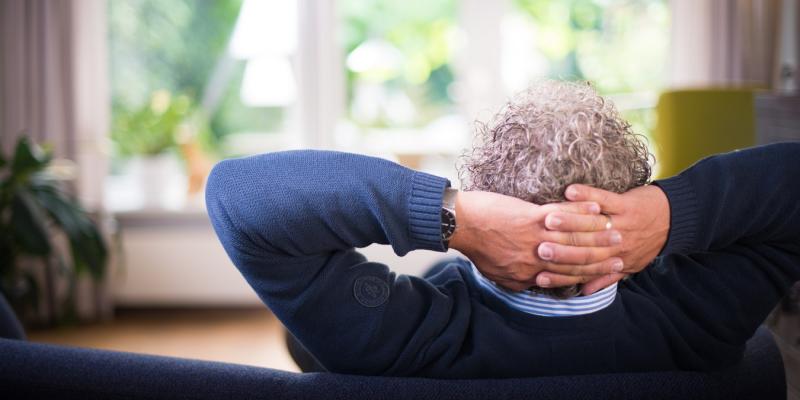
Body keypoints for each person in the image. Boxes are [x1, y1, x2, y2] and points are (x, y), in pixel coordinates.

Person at [205, 81, 800, 378]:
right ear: (630, 203)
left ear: (486, 199)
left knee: (307, 338)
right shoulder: (698, 322)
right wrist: (671, 214)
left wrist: (453, 220)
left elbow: (237, 196)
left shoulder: (402, 341)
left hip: (398, 330)